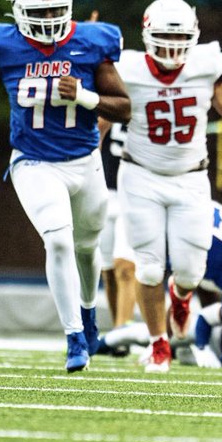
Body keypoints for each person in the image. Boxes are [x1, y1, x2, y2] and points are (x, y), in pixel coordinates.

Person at [0, 0, 130, 372]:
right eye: (40, 11)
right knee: (58, 241)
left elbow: (123, 107)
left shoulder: (90, 43)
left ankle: (88, 318)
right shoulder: (3, 45)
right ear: (18, 13)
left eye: (56, 9)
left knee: (88, 249)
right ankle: (74, 339)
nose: (49, 19)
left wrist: (86, 97)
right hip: (33, 162)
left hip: (85, 162)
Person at [116, 0, 222, 372]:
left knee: (192, 271)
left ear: (194, 36)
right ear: (146, 34)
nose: (172, 47)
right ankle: (158, 342)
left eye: (179, 38)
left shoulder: (207, 65)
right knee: (147, 267)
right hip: (140, 174)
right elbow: (103, 115)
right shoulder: (127, 68)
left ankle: (180, 296)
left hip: (191, 177)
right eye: (163, 37)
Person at [96, 202, 222, 357]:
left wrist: (162, 335)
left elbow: (179, 289)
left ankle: (115, 339)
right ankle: (118, 338)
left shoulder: (174, 230)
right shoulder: (189, 200)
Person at [96, 119, 137, 355]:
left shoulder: (143, 92)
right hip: (103, 189)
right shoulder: (105, 94)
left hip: (133, 192)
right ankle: (116, 331)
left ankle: (122, 334)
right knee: (108, 270)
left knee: (125, 266)